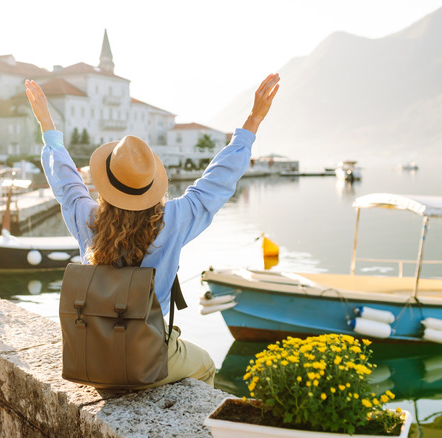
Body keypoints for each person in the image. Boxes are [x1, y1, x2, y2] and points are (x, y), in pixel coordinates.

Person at [25, 73, 280, 388]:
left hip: (94, 360)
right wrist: (252, 121)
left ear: (107, 182)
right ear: (150, 185)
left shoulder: (87, 217)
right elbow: (217, 182)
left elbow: (66, 182)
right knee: (206, 366)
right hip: (145, 361)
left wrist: (47, 125)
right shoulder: (172, 220)